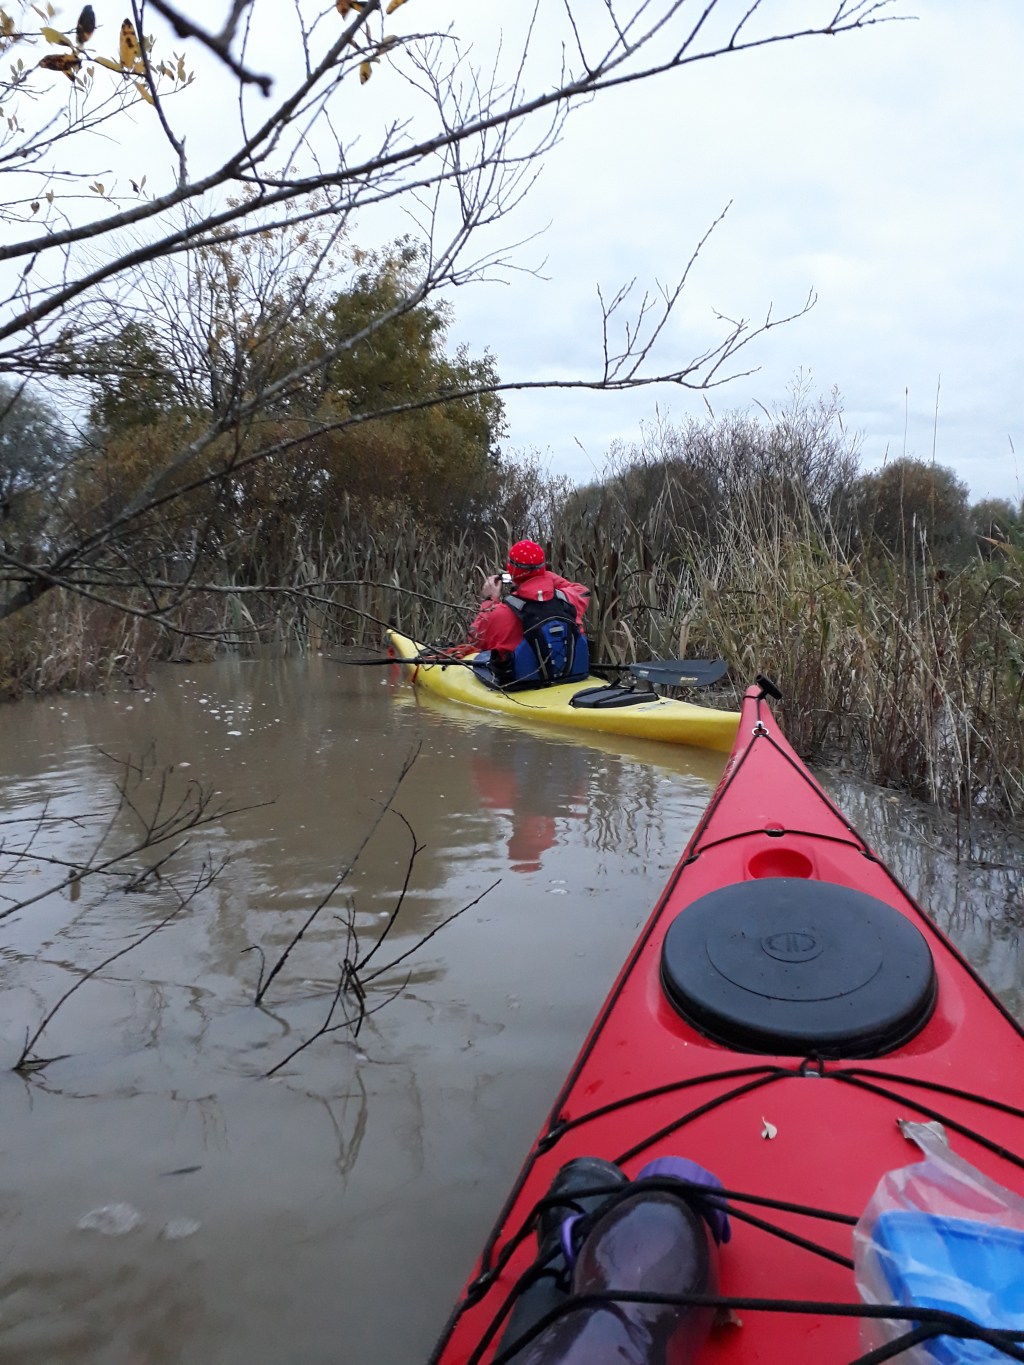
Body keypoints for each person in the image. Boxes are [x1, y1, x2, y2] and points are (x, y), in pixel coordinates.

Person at [468, 539, 591, 688]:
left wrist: (489, 599)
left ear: (512, 571)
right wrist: (543, 576)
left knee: (484, 657)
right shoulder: (569, 599)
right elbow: (583, 591)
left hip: (523, 686)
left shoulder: (501, 613)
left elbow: (475, 638)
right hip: (572, 678)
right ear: (543, 568)